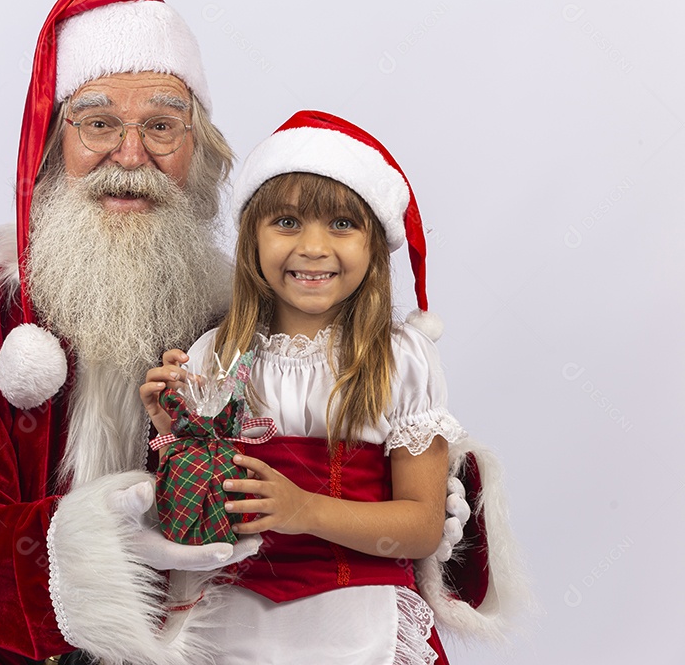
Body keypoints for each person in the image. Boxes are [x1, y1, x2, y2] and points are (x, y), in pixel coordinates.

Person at [0, 0, 507, 665]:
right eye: (97, 124)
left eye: (161, 126)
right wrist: (92, 554)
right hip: (0, 631)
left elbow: (350, 439)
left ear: (199, 151)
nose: (130, 156)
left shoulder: (237, 317)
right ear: (51, 148)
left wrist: (434, 499)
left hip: (216, 622)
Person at [140, 111, 528, 663]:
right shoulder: (215, 354)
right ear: (252, 238)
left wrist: (304, 510)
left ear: (374, 245)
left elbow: (420, 526)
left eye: (341, 225)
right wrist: (174, 433)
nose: (314, 247)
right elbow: (196, 514)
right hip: (230, 624)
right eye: (288, 222)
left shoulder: (399, 360)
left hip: (358, 621)